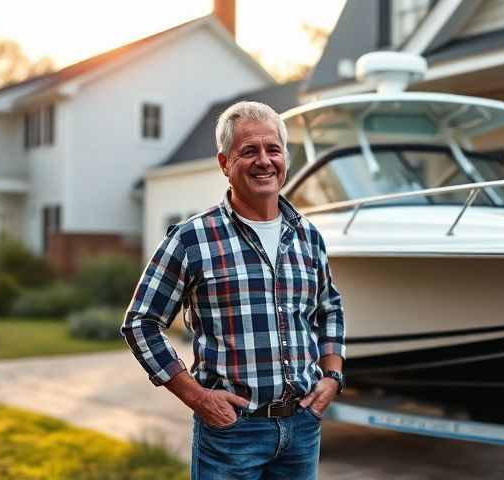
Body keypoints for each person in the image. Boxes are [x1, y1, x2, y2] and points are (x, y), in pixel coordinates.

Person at [122, 101, 346, 480]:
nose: (264, 160)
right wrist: (197, 397)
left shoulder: (308, 236)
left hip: (302, 429)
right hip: (231, 433)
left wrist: (333, 377)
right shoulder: (191, 239)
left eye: (273, 149)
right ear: (224, 163)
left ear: (285, 159)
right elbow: (140, 322)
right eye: (249, 151)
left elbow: (330, 309)